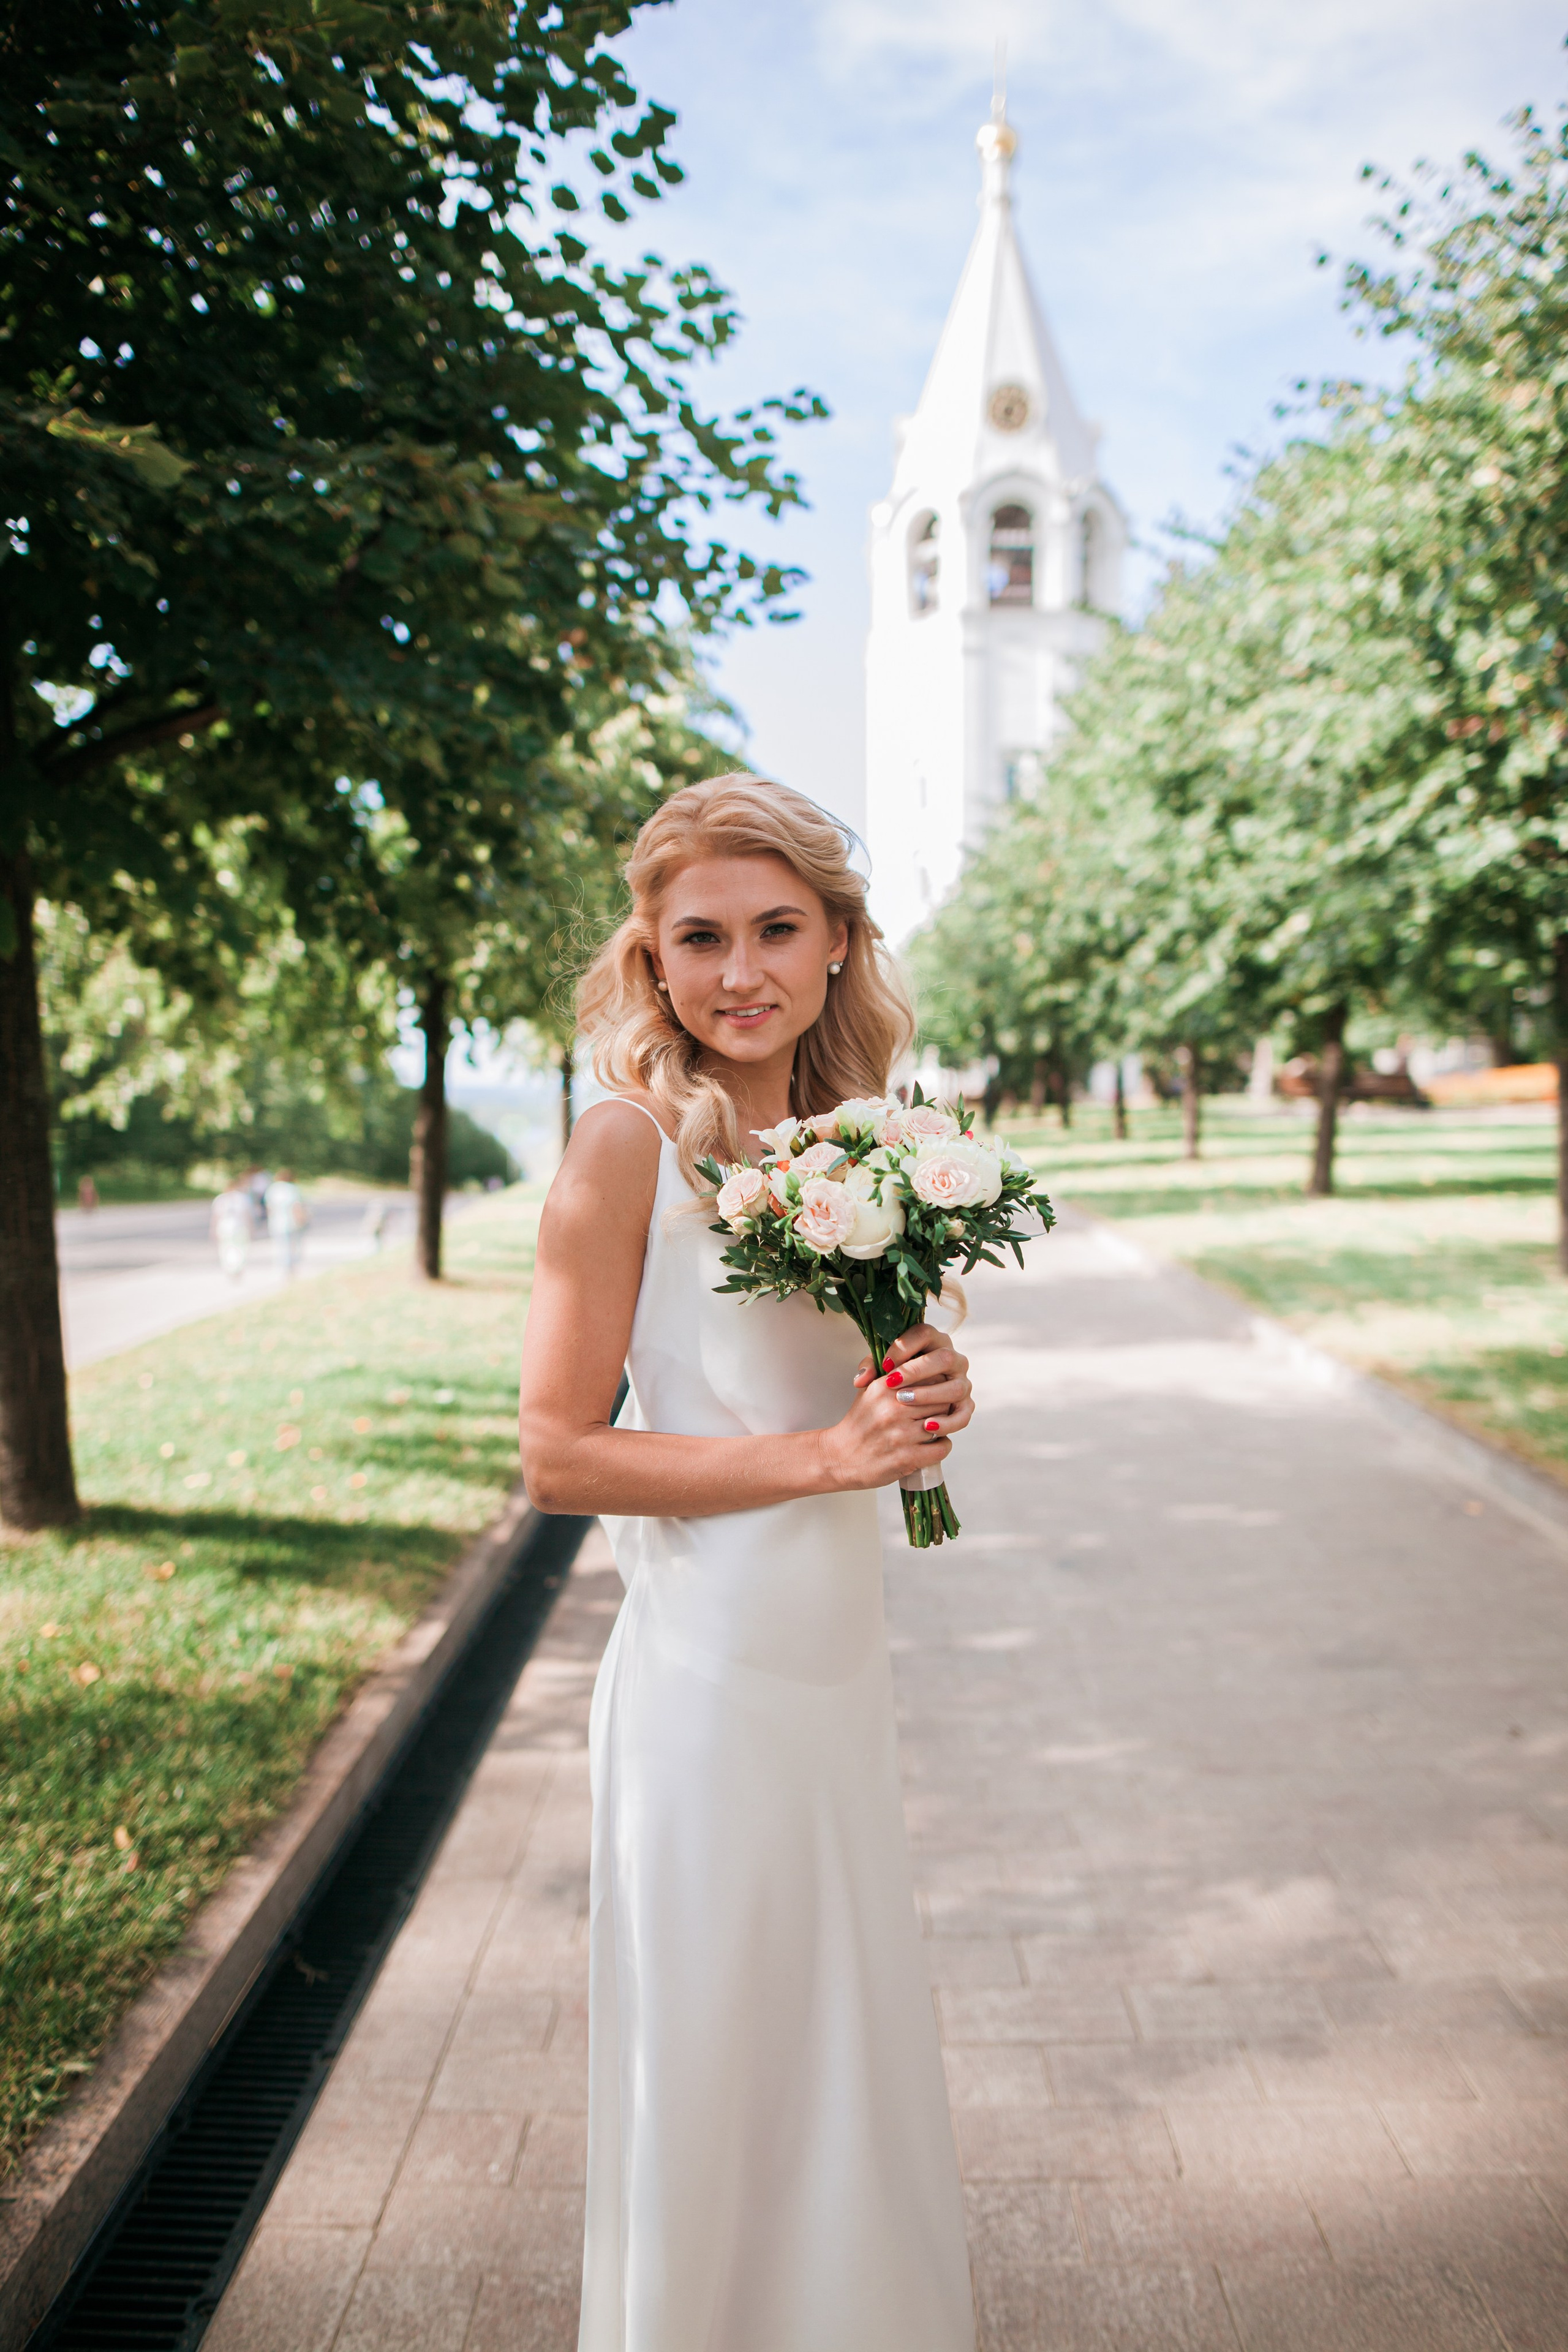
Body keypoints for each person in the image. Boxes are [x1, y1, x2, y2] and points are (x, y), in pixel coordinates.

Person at [518, 775, 976, 2352]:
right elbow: (557, 1453)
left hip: (833, 1669)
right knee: (717, 2048)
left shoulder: (860, 1148)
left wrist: (919, 1389)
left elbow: (832, 1393)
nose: (739, 971)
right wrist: (822, 1459)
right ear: (650, 959)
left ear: (839, 942)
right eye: (697, 937)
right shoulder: (620, 1147)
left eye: (776, 928)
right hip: (708, 1687)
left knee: (837, 2033)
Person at [264, 1167, 308, 1276]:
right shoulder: (292, 1189)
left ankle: (284, 1265)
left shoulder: (272, 1189)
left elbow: (269, 1208)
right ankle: (290, 1266)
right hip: (291, 1222)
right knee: (292, 1245)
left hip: (276, 1222)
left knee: (280, 1245)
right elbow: (296, 1207)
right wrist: (301, 1219)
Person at [210, 1179, 253, 1281]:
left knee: (226, 1249)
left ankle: (230, 1268)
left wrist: (213, 1230)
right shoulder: (243, 1198)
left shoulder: (220, 1199)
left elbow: (216, 1217)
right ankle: (237, 1268)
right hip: (239, 1228)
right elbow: (247, 1215)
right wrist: (251, 1228)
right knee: (241, 1249)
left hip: (224, 1229)